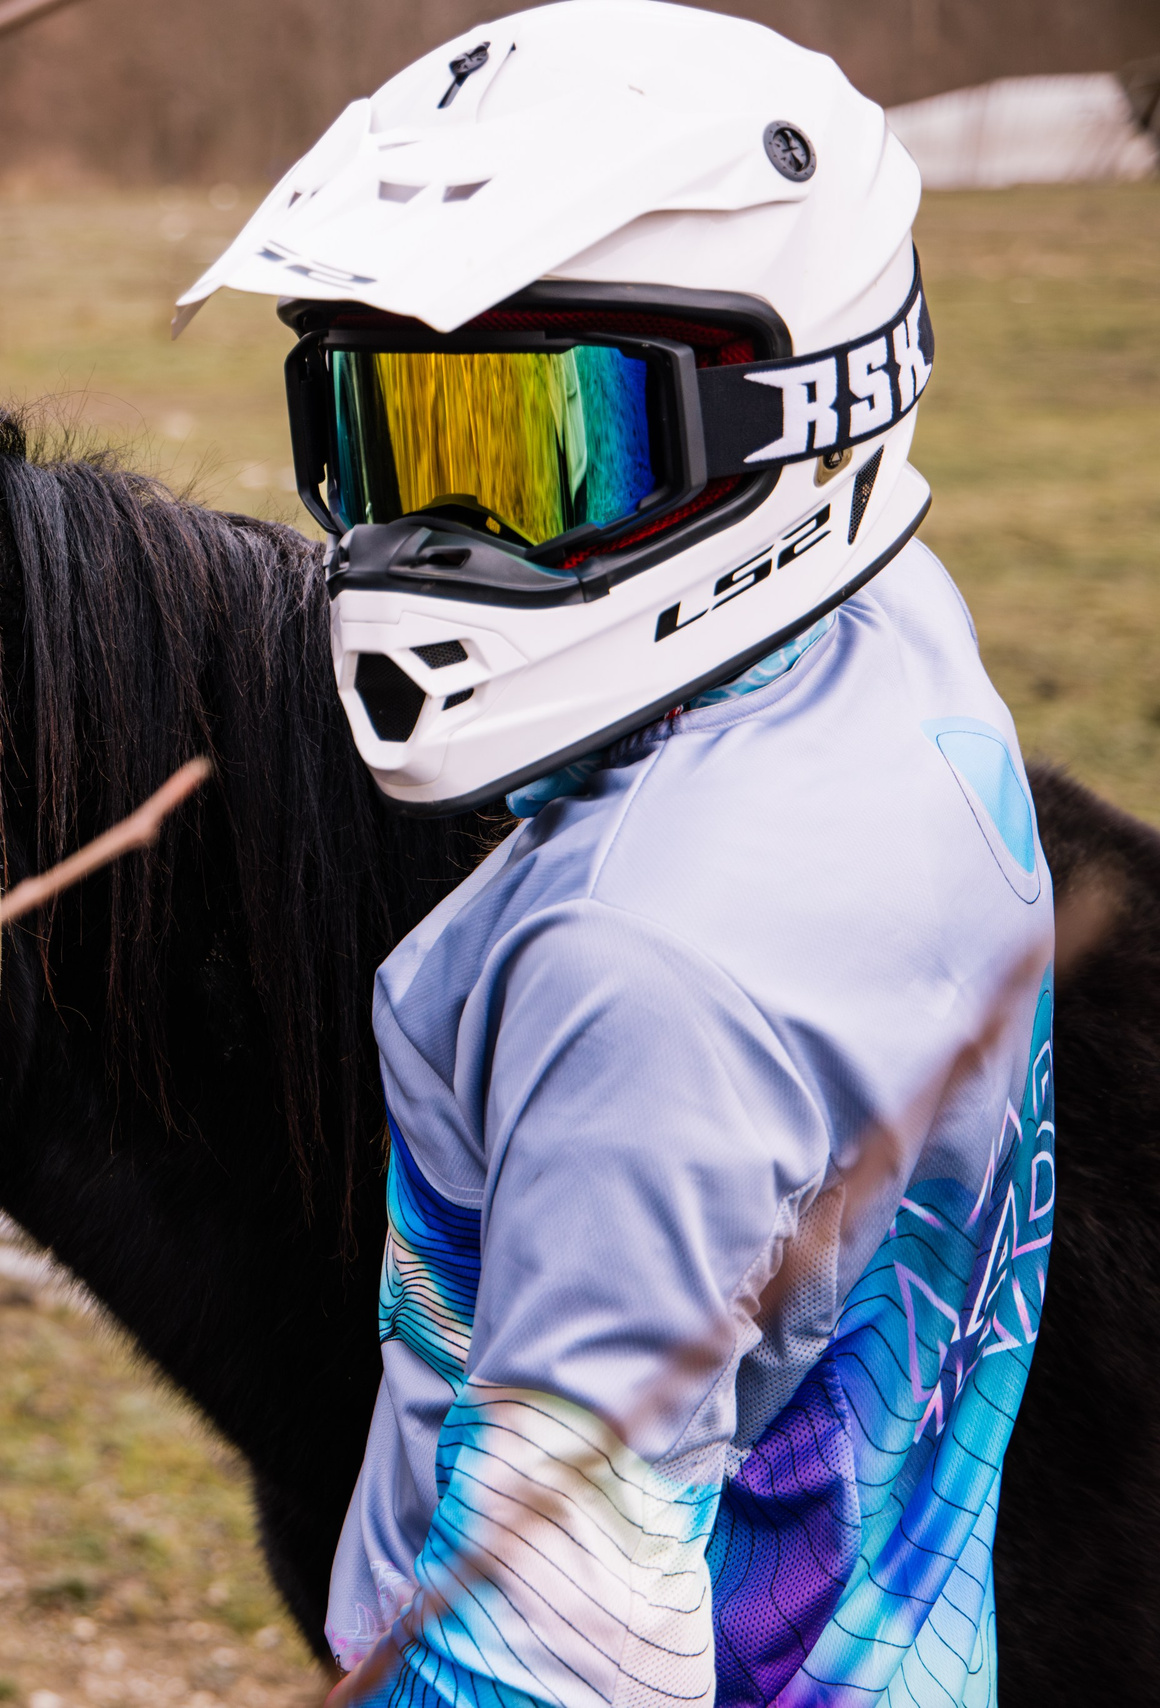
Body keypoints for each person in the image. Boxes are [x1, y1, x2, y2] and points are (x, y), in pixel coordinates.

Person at [175, 5, 1055, 1703]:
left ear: (802, 409)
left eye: (541, 453)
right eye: (387, 443)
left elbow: (553, 1663)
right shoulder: (895, 646)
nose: (434, 535)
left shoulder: (636, 980)